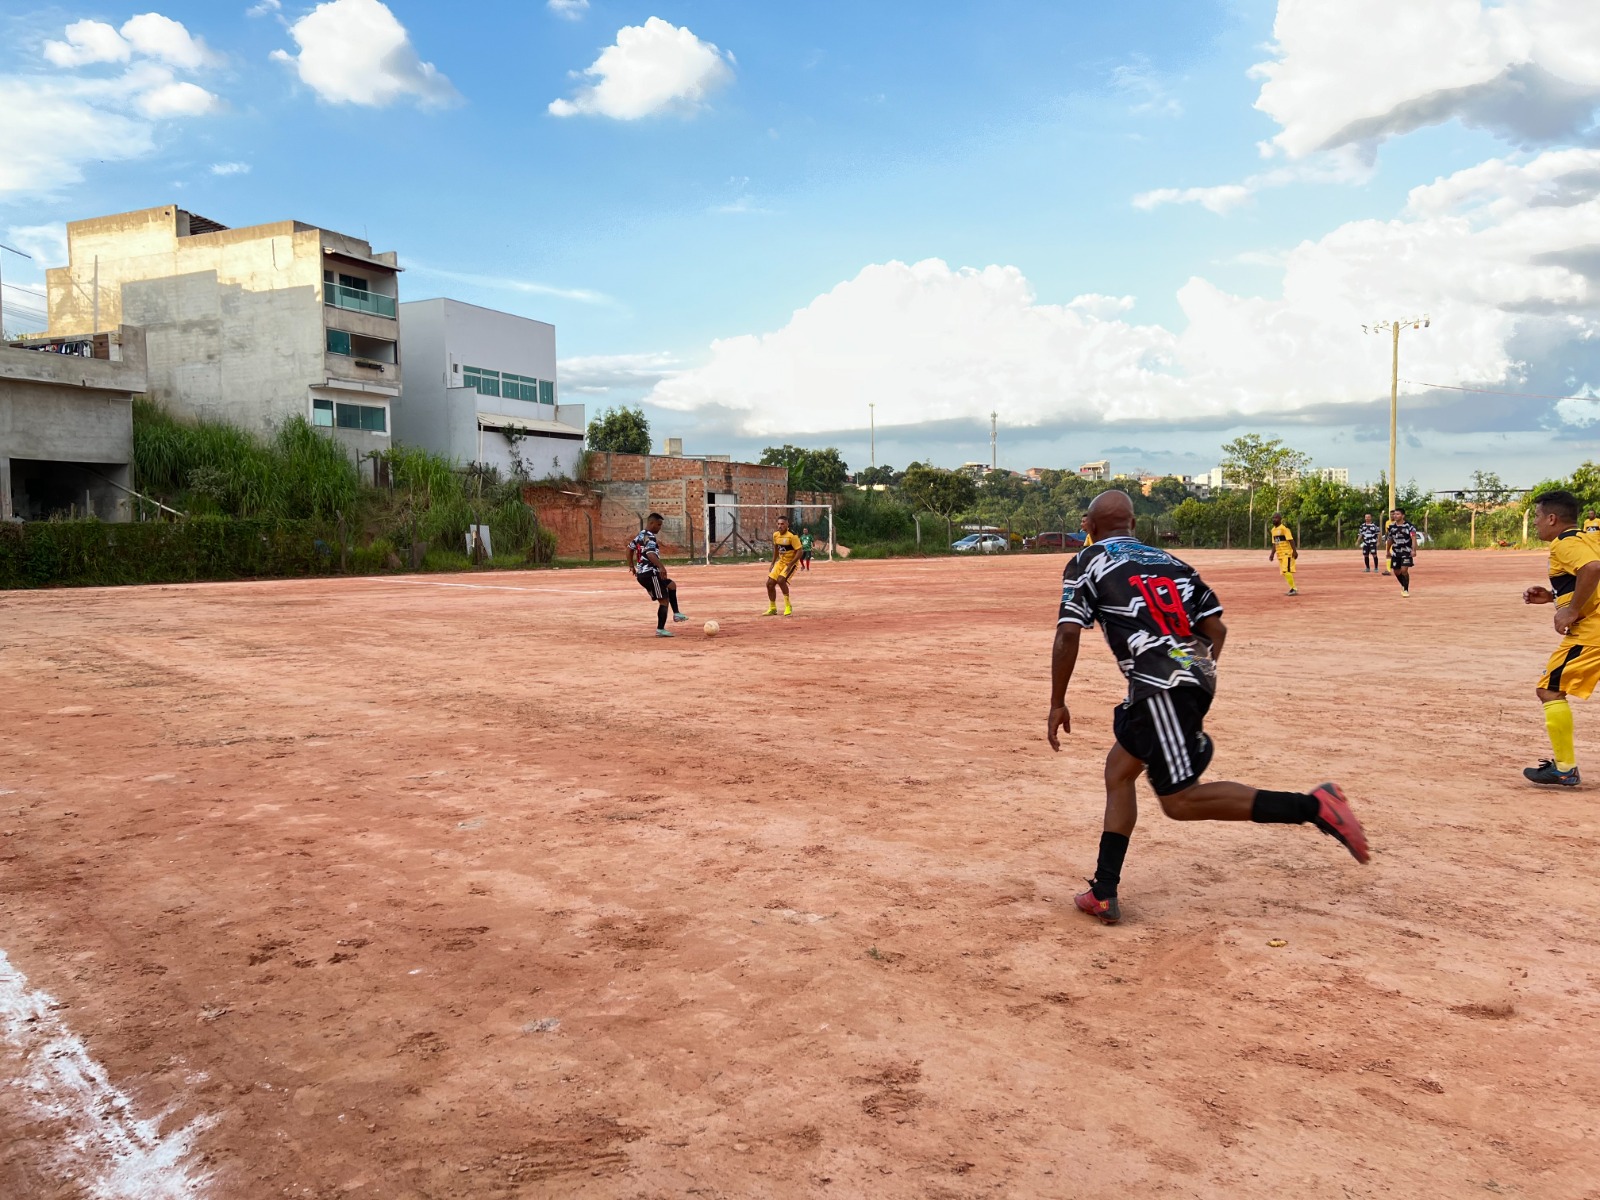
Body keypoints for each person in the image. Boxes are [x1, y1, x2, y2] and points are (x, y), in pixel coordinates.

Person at [1046, 489, 1369, 925]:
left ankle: (1314, 806)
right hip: (1184, 681)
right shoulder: (1173, 563)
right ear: (1135, 525)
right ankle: (1104, 890)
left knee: (1180, 802)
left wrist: (1058, 702)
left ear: (1088, 525)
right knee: (1120, 771)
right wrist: (1193, 676)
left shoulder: (1087, 561)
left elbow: (1068, 634)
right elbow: (1216, 630)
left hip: (1160, 687)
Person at [1522, 489, 1600, 786]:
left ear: (1552, 518)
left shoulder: (1563, 544)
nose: (1538, 523)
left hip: (1591, 634)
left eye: (1539, 517)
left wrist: (1572, 610)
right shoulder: (1589, 538)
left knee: (1549, 690)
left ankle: (1565, 768)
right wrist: (1554, 596)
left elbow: (1592, 569)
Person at [628, 513, 689, 637]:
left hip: (645, 574)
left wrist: (631, 566)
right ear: (651, 523)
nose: (659, 528)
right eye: (658, 525)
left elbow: (629, 549)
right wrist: (661, 567)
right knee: (664, 600)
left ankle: (676, 613)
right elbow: (650, 554)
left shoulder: (641, 535)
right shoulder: (649, 537)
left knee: (671, 585)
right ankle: (660, 629)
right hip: (650, 573)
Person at [764, 516, 803, 616]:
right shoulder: (776, 535)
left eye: (782, 524)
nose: (780, 526)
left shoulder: (792, 536)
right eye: (778, 524)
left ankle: (788, 606)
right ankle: (773, 608)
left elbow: (800, 552)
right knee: (769, 583)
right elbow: (776, 549)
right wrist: (772, 563)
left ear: (787, 525)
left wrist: (790, 564)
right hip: (780, 563)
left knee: (781, 580)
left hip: (791, 563)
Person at [1384, 508, 1419, 596]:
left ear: (1403, 516)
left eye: (1398, 514)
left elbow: (1413, 538)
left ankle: (1406, 589)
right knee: (1396, 572)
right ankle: (1403, 584)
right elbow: (1390, 540)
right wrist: (1388, 551)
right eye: (1394, 514)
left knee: (1404, 570)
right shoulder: (1391, 527)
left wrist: (1414, 550)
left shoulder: (1409, 526)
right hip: (1396, 552)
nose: (1395, 516)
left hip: (1406, 551)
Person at [1268, 512, 1298, 595]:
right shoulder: (1273, 530)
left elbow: (1291, 540)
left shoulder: (1284, 529)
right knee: (1284, 573)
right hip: (1280, 554)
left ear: (1280, 519)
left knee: (1286, 571)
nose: (1274, 519)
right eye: (1273, 518)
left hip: (1287, 553)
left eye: (1276, 518)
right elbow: (1275, 543)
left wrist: (1294, 552)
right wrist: (1272, 554)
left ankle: (1294, 589)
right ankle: (1292, 588)